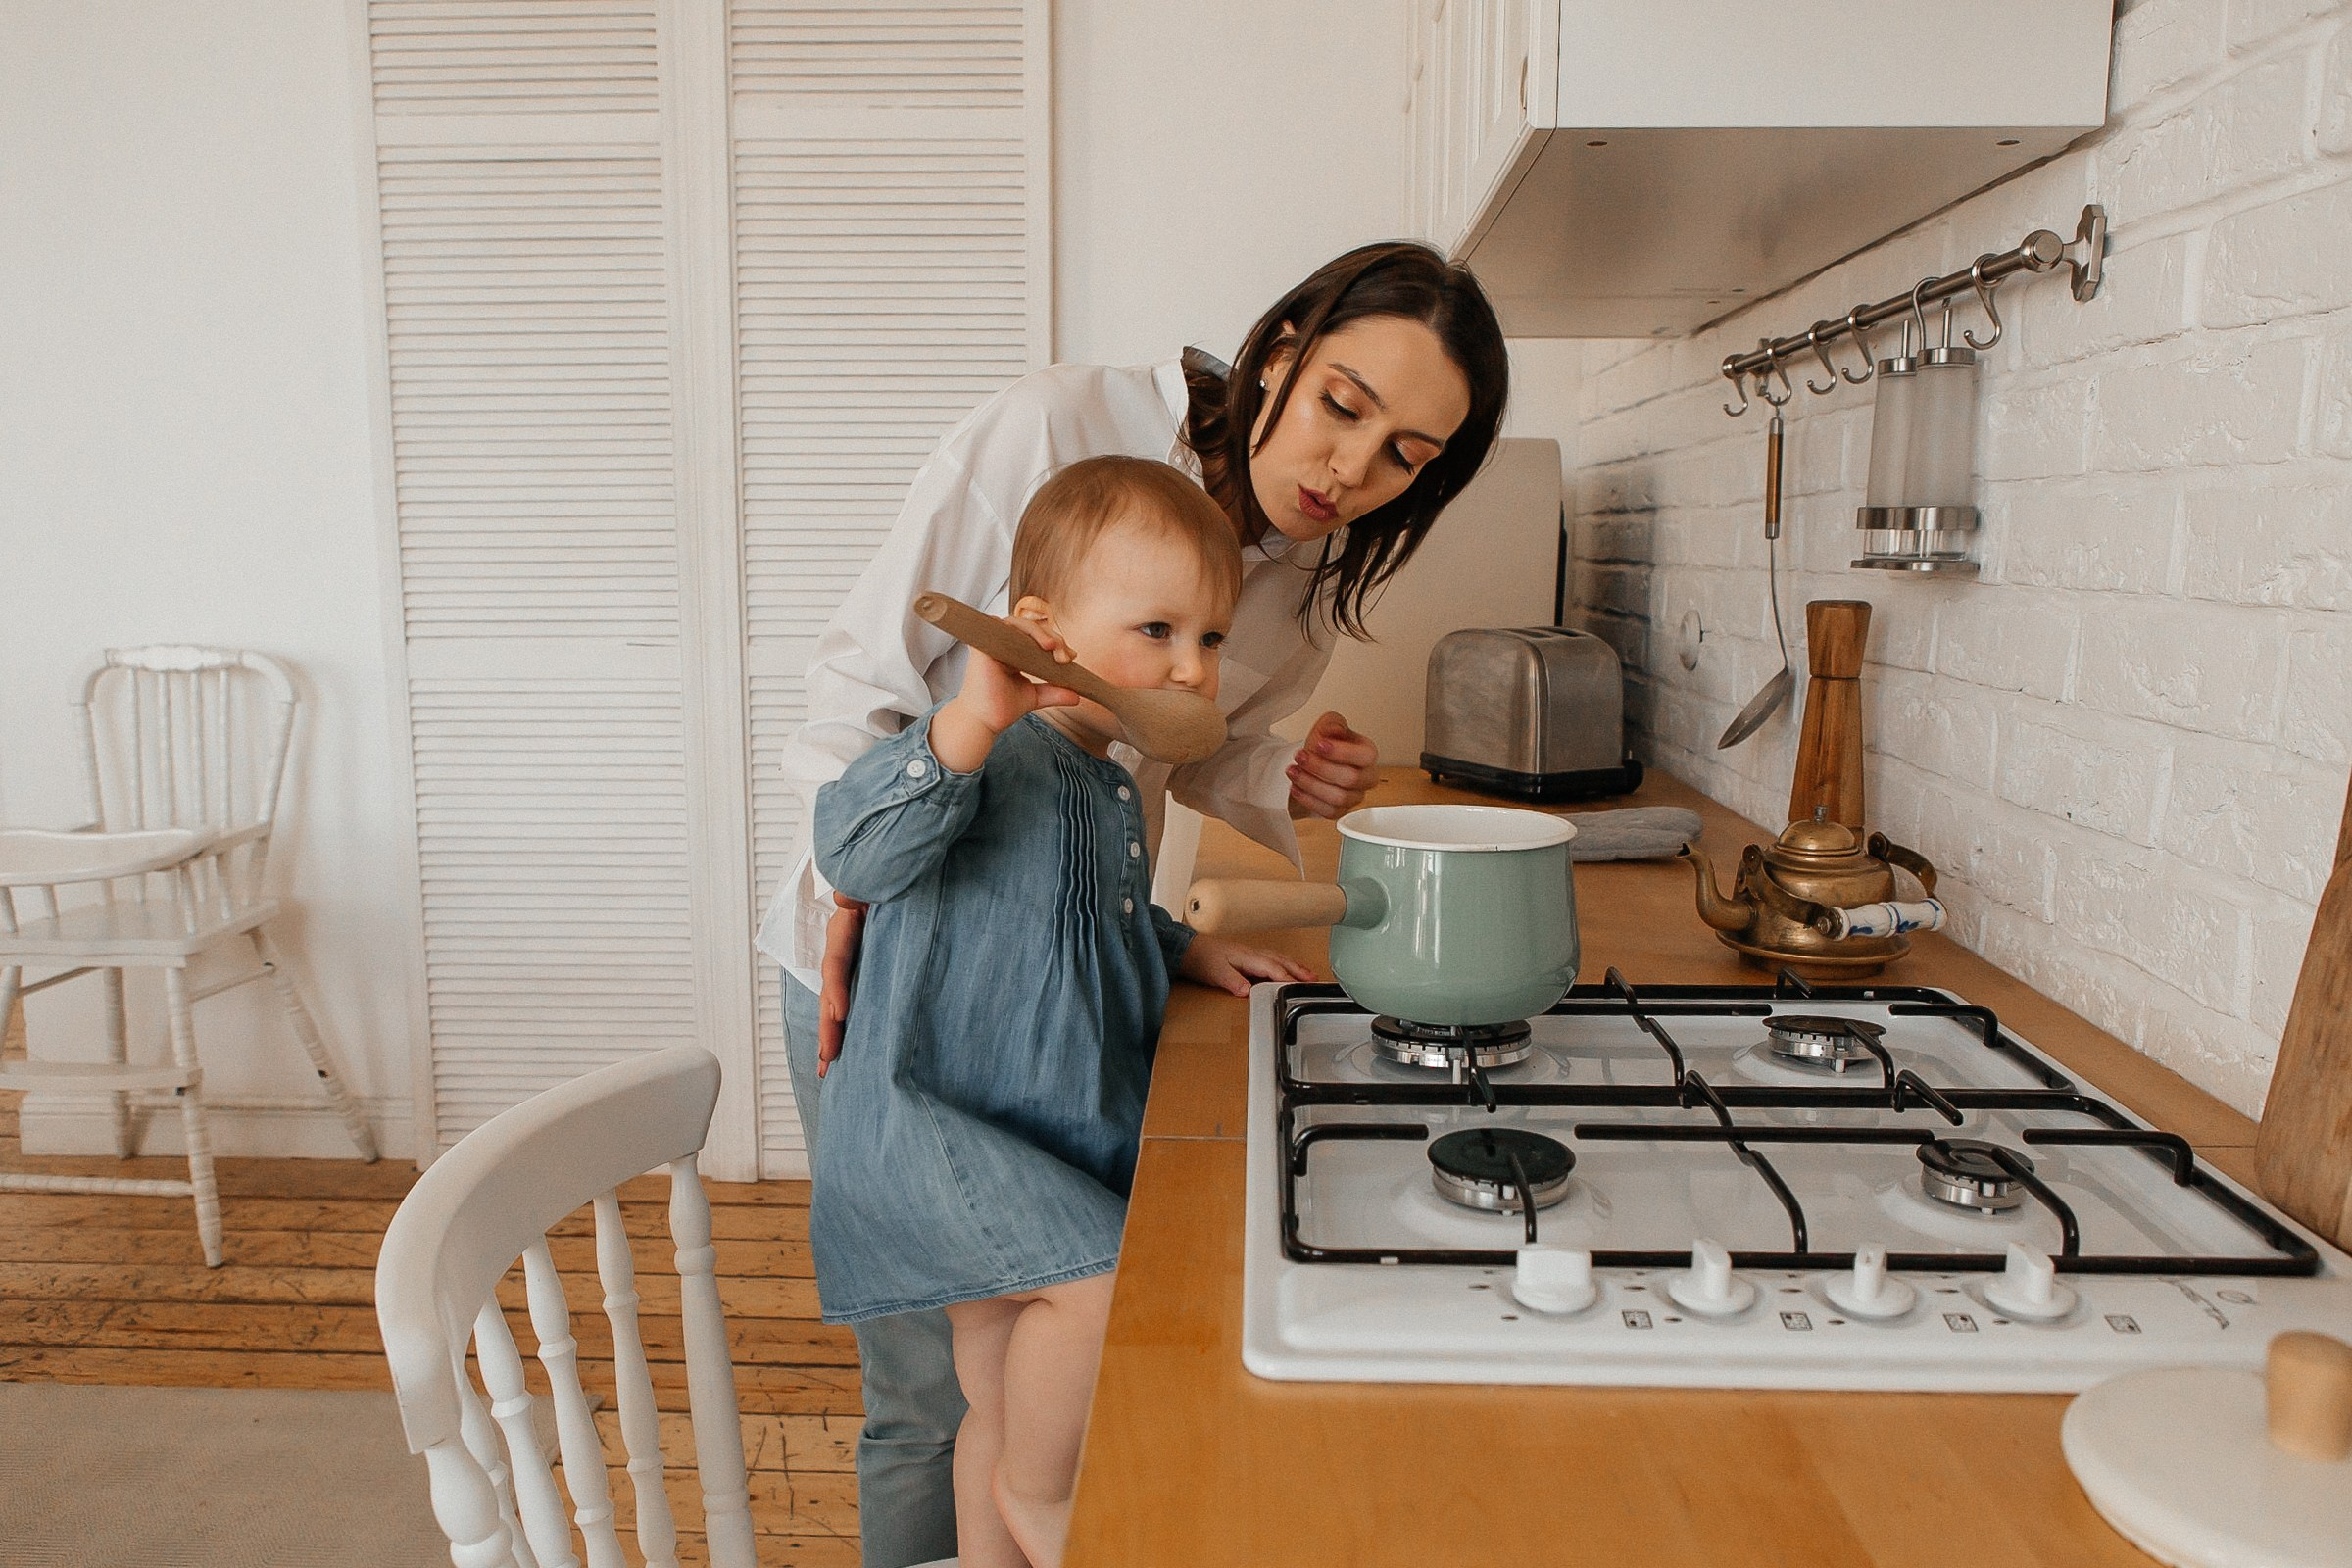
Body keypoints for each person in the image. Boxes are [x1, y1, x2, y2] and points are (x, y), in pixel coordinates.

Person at [760, 239, 1509, 1567]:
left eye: (1408, 454)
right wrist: (847, 897)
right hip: (882, 976)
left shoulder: (1303, 576)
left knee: (1026, 1382)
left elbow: (1171, 737)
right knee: (933, 1398)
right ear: (1281, 355)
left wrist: (1280, 776)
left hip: (1048, 992)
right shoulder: (1055, 428)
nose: (1354, 467)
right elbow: (858, 683)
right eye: (1344, 404)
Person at [809, 456, 1314, 1568]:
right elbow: (852, 847)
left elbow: (1087, 914)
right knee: (1096, 1297)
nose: (1191, 668)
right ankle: (1045, 1508)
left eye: (1213, 640)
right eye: (1157, 631)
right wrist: (963, 727)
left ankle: (1011, 1511)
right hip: (938, 1127)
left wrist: (1186, 947)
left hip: (1031, 1129)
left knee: (999, 1406)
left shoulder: (1100, 775)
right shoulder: (989, 754)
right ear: (1046, 634)